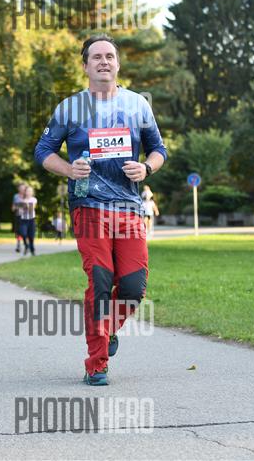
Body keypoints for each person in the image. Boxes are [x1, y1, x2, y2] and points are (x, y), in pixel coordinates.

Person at [34, 34, 167, 386]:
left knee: (134, 287)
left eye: (109, 56)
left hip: (128, 206)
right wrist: (68, 169)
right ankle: (97, 363)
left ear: (118, 64)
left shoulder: (138, 104)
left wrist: (146, 168)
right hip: (88, 204)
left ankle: (106, 330)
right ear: (85, 66)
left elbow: (159, 149)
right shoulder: (70, 108)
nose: (104, 61)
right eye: (96, 57)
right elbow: (43, 151)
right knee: (101, 280)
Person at [18, 186, 38, 255]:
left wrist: (26, 205)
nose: (29, 192)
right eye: (27, 191)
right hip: (23, 220)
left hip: (31, 220)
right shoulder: (21, 200)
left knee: (31, 236)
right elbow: (20, 212)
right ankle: (26, 245)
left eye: (30, 191)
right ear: (25, 192)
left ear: (32, 192)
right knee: (23, 234)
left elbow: (31, 209)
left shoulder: (34, 199)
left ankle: (32, 250)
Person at [12, 183, 27, 253]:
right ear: (18, 189)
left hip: (26, 216)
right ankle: (18, 245)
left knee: (24, 231)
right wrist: (16, 207)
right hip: (18, 215)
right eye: (20, 188)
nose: (22, 189)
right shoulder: (16, 196)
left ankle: (26, 244)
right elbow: (13, 207)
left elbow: (30, 206)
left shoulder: (28, 196)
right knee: (18, 231)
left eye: (23, 188)